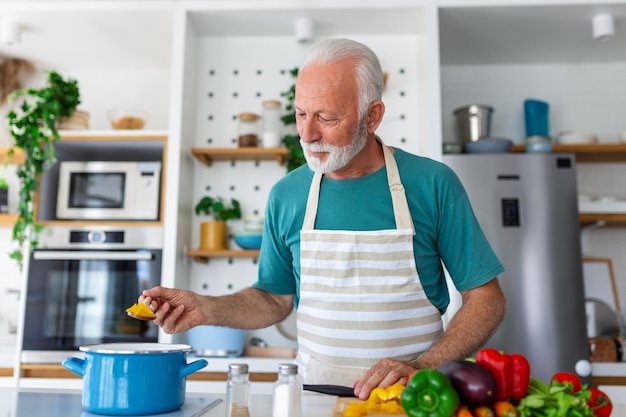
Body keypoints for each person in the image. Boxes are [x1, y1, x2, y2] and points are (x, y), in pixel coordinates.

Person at [134, 38, 506, 400]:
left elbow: (485, 297)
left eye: (327, 118)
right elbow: (273, 299)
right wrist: (206, 308)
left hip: (412, 400)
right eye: (300, 114)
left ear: (372, 116)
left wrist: (426, 365)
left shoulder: (432, 184)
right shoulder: (288, 195)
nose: (308, 134)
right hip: (312, 399)